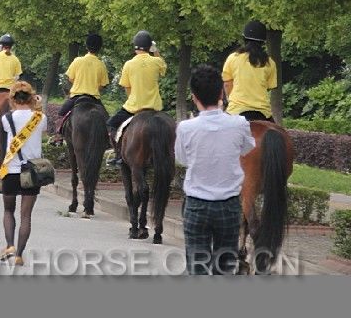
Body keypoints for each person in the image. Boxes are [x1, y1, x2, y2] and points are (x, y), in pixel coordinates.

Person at [175, 64, 255, 275]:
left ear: (193, 97)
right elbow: (247, 149)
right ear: (221, 92)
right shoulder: (239, 123)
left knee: (197, 269)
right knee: (225, 269)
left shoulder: (185, 128)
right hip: (228, 206)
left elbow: (182, 159)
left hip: (196, 205)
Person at [0, 81, 47, 266]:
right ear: (31, 97)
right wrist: (38, 105)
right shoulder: (40, 118)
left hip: (11, 170)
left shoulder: (6, 118)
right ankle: (19, 255)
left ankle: (9, 245)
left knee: (8, 210)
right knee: (26, 216)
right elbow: (42, 127)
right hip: (32, 171)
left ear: (12, 98)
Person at [106, 30, 166, 166]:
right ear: (149, 46)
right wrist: (155, 50)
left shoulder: (129, 64)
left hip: (134, 107)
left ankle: (119, 155)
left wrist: (132, 98)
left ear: (135, 46)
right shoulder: (157, 61)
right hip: (155, 107)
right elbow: (163, 67)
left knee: (111, 124)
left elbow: (127, 87)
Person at [52, 33, 109, 143]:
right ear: (99, 48)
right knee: (107, 120)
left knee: (61, 114)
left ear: (86, 46)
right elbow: (102, 85)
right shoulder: (101, 64)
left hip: (76, 97)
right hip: (94, 99)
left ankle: (58, 136)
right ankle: (108, 140)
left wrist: (79, 83)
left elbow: (70, 78)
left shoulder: (77, 60)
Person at [222, 21, 277, 122]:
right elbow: (268, 87)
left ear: (244, 38)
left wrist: (230, 101)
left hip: (236, 110)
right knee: (279, 134)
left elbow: (227, 84)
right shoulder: (270, 62)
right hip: (263, 112)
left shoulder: (233, 58)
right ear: (263, 42)